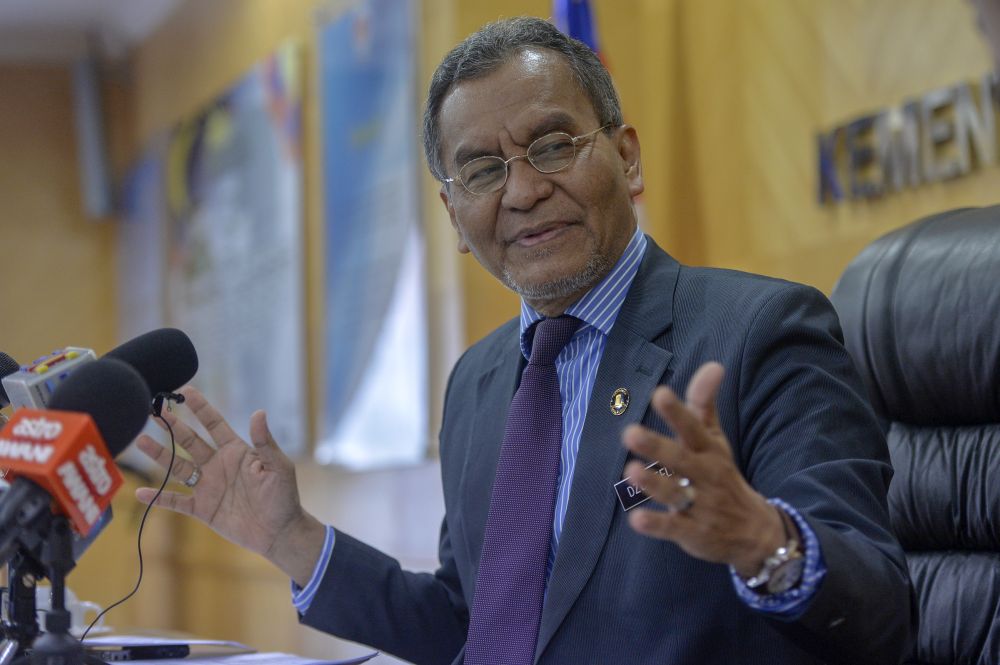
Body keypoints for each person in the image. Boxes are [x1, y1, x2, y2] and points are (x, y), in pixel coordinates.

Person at [135, 17, 915, 665]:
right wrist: (293, 539)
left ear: (627, 157)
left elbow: (881, 608)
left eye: (553, 145)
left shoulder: (760, 333)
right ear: (454, 216)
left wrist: (763, 541)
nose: (524, 190)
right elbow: (473, 626)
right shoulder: (476, 382)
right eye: (482, 170)